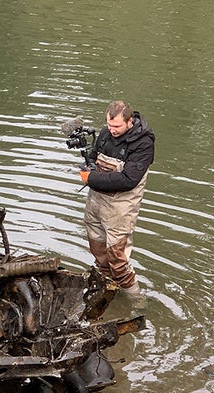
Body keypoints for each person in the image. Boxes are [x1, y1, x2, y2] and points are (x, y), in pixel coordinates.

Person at [78, 100, 155, 309]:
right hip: (95, 202)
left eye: (117, 127)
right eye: (109, 125)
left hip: (121, 207)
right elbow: (93, 157)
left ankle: (137, 301)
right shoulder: (105, 134)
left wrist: (90, 178)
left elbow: (129, 180)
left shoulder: (143, 143)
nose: (111, 130)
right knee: (99, 254)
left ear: (130, 122)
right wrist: (87, 166)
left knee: (117, 260)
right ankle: (108, 292)